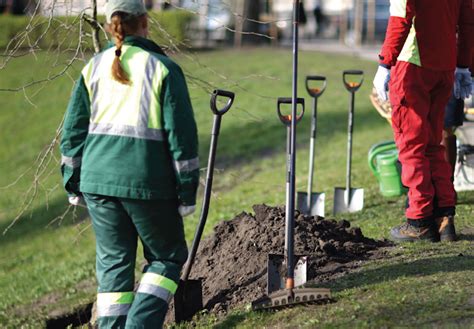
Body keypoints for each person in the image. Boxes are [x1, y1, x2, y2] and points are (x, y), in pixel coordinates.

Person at [60, 0, 199, 327]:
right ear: (145, 23)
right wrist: (187, 192)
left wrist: (72, 182)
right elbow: (182, 138)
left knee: (113, 271)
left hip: (97, 183)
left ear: (111, 27)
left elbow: (72, 132)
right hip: (147, 183)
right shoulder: (163, 68)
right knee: (166, 258)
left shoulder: (92, 67)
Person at [373, 0, 473, 242]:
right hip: (445, 67)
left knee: (411, 146)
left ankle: (419, 221)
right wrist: (463, 65)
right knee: (432, 143)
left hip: (412, 64)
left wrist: (385, 63)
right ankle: (444, 218)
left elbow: (400, 18)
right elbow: (469, 21)